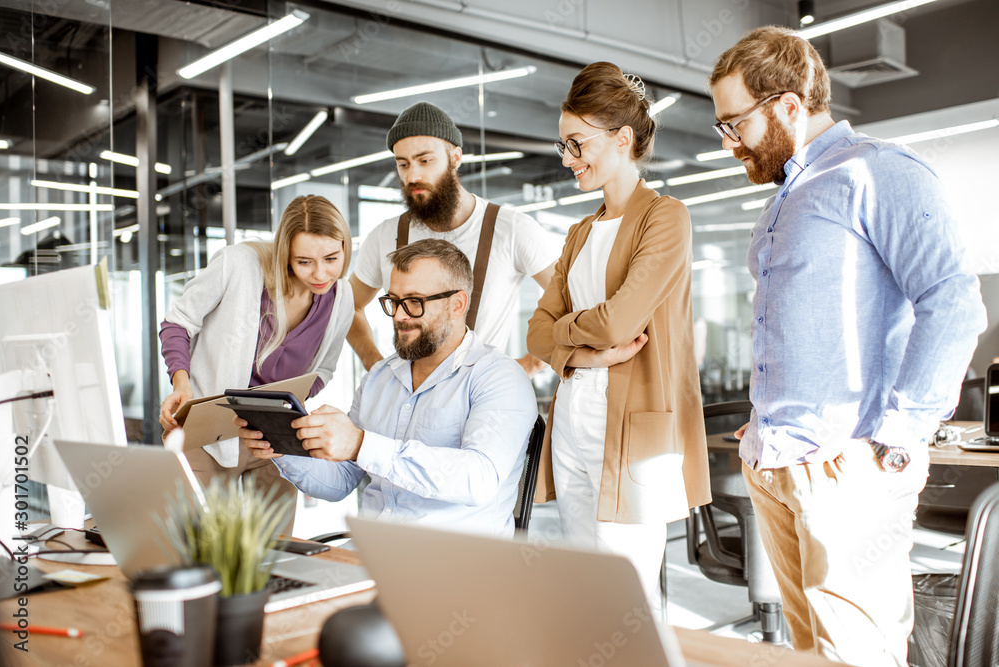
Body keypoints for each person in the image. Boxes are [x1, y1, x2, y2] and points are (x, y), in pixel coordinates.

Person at [708, 27, 987, 666]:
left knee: (854, 655)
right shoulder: (785, 199)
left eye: (735, 124)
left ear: (786, 105)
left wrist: (895, 441)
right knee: (806, 655)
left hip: (845, 470)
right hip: (774, 464)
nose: (728, 144)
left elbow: (952, 302)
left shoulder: (878, 173)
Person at [526, 62, 711, 615]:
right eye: (563, 146)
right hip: (576, 415)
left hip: (634, 428)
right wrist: (584, 352)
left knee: (627, 590)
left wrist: (574, 339)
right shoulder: (580, 230)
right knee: (585, 581)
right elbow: (535, 332)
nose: (567, 159)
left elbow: (618, 322)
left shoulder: (666, 217)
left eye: (576, 143)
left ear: (623, 138)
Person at [242, 239, 537, 537]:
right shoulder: (380, 377)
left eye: (414, 302)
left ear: (457, 304)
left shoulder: (499, 378)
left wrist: (360, 444)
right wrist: (283, 446)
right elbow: (341, 481)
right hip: (372, 555)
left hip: (456, 567)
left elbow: (479, 480)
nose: (399, 316)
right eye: (393, 301)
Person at [159, 195, 354, 527]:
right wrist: (182, 381)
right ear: (285, 256)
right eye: (304, 261)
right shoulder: (239, 264)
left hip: (274, 436)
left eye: (332, 258)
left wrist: (294, 399)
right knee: (192, 543)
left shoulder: (341, 298)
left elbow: (323, 370)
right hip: (210, 430)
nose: (321, 273)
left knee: (274, 549)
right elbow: (178, 322)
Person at [348, 101, 560, 377]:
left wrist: (531, 363)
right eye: (403, 164)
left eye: (425, 160)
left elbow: (569, 298)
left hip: (485, 401)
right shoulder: (385, 236)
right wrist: (375, 366)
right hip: (410, 402)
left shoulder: (511, 228)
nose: (412, 175)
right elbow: (349, 307)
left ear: (455, 157)